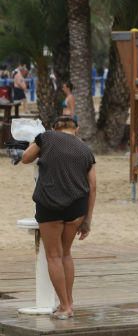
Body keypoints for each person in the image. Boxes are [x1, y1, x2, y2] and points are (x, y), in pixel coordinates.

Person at [21, 116, 96, 319]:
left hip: (50, 205)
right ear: (76, 129)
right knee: (65, 254)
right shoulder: (86, 151)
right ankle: (69, 301)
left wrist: (34, 145)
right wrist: (88, 219)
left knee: (53, 255)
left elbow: (26, 158)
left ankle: (64, 307)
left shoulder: (45, 137)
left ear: (54, 127)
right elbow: (93, 187)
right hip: (77, 207)